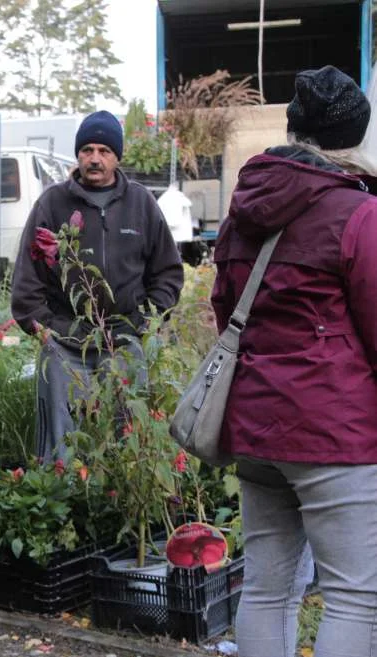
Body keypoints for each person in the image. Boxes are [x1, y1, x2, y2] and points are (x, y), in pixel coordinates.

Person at [212, 65, 377, 657]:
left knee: (267, 586)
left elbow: (224, 308)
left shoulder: (242, 212)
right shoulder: (358, 215)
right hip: (334, 434)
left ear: (293, 128)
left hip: (255, 428)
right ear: (356, 138)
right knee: (357, 597)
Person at [10, 110, 183, 460]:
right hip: (66, 343)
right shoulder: (52, 204)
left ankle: (120, 498)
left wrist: (145, 322)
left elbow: (168, 273)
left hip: (124, 341)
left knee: (129, 439)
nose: (94, 158)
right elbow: (27, 285)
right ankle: (60, 495)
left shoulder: (142, 204)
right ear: (78, 155)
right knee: (60, 445)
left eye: (104, 151)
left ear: (118, 156)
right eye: (87, 149)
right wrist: (50, 330)